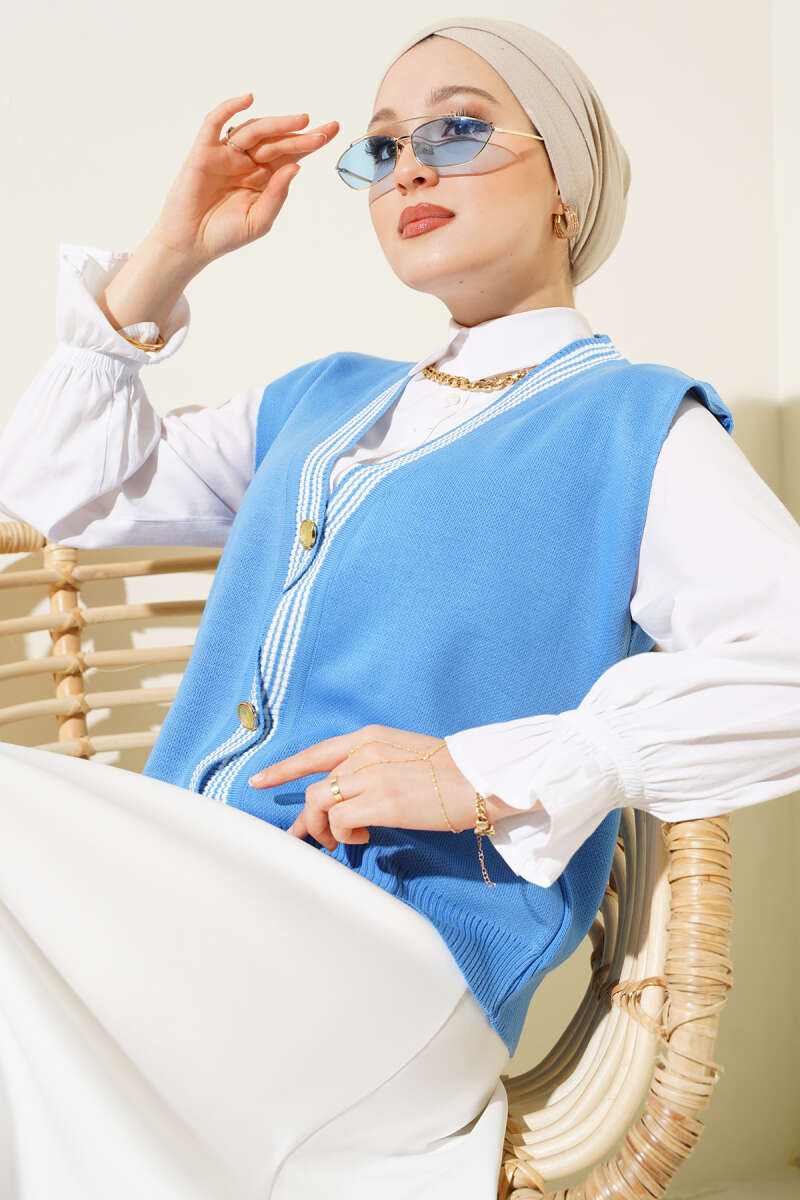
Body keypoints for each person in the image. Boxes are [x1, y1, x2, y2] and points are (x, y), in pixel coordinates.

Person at [1, 16, 799, 1200]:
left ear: (565, 188)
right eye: (382, 149)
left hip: (385, 964)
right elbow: (51, 499)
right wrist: (167, 256)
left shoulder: (634, 424)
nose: (410, 169)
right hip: (179, 917)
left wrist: (484, 774)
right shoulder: (319, 402)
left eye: (458, 131)